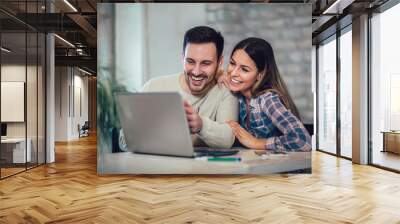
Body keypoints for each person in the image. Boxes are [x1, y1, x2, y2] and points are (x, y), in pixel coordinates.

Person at [142, 26, 238, 149]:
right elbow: (123, 139)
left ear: (219, 62)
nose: (196, 72)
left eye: (206, 63)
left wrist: (201, 125)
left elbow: (228, 138)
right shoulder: (153, 87)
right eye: (190, 61)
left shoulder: (225, 90)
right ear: (182, 59)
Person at [219, 37, 311, 152]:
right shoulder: (238, 94)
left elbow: (303, 141)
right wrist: (219, 74)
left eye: (244, 69)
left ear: (260, 75)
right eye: (232, 63)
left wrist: (256, 143)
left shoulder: (267, 99)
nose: (233, 73)